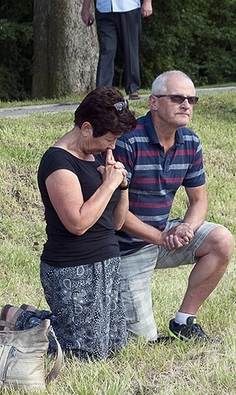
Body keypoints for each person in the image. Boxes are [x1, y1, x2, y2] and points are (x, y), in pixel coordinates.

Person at [113, 70, 234, 341]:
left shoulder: (190, 142)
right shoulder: (127, 140)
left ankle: (184, 321)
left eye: (192, 100)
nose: (186, 105)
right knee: (142, 340)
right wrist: (160, 237)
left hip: (162, 236)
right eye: (178, 98)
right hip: (127, 248)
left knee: (221, 240)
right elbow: (115, 213)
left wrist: (186, 229)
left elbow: (199, 201)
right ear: (153, 102)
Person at [32, 86, 136, 360]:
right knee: (84, 353)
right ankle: (21, 320)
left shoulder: (97, 156)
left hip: (107, 262)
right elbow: (76, 223)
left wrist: (122, 186)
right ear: (87, 128)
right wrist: (108, 184)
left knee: (114, 346)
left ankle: (51, 324)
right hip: (72, 267)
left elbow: (117, 223)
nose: (112, 145)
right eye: (110, 138)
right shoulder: (58, 162)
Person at [81, 0, 153, 100]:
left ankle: (133, 88)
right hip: (104, 9)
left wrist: (147, 2)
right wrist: (85, 8)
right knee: (107, 50)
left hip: (128, 7)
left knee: (130, 49)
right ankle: (102, 91)